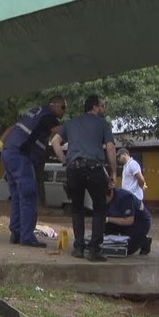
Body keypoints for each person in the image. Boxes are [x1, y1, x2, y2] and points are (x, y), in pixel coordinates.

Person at [51, 95, 116, 262]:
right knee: (99, 208)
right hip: (95, 168)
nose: (104, 109)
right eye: (102, 106)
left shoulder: (71, 123)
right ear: (94, 107)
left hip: (74, 168)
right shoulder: (103, 124)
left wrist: (65, 161)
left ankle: (79, 248)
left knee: (77, 208)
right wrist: (114, 172)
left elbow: (55, 142)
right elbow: (110, 148)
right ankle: (94, 250)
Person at [0, 96, 67, 248]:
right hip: (20, 155)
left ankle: (16, 233)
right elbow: (61, 133)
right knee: (29, 195)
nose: (64, 111)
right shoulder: (48, 116)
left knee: (17, 195)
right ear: (54, 105)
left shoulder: (35, 112)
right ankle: (27, 236)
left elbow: (13, 128)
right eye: (63, 107)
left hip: (8, 153)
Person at [105, 187, 152, 255]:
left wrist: (107, 219)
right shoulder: (106, 200)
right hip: (120, 217)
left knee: (124, 250)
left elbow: (129, 220)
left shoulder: (125, 197)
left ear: (111, 194)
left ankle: (144, 240)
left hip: (139, 222)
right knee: (106, 243)